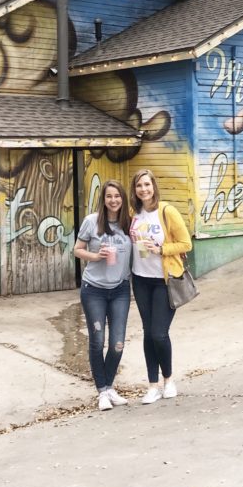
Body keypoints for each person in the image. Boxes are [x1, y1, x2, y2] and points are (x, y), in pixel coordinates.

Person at [129, 168, 192, 404]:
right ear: (134, 190)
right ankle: (152, 385)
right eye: (139, 185)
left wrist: (162, 249)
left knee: (159, 333)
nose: (143, 189)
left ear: (154, 186)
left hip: (164, 281)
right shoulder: (134, 214)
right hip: (140, 279)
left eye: (147, 184)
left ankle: (169, 380)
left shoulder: (167, 211)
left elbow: (186, 243)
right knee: (148, 333)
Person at [72, 179, 133, 411]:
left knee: (117, 343)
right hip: (94, 289)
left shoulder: (129, 223)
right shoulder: (91, 221)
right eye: (109, 196)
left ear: (122, 198)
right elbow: (77, 249)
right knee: (97, 340)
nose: (113, 200)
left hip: (120, 289)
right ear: (103, 199)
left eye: (117, 196)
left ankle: (109, 387)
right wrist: (95, 256)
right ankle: (102, 391)